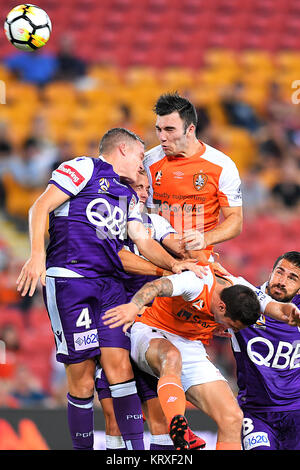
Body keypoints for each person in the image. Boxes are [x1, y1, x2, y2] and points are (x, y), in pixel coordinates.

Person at [16, 127, 205, 451]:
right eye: (138, 158)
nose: (140, 165)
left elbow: (143, 241)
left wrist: (174, 266)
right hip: (72, 281)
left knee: (120, 368)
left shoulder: (128, 196)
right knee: (83, 380)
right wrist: (36, 255)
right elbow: (39, 207)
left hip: (110, 287)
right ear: (122, 151)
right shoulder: (83, 168)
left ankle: (133, 452)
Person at [103, 264, 300, 450]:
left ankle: (180, 429)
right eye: (231, 325)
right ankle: (179, 425)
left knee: (232, 418)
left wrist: (289, 313)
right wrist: (133, 306)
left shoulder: (241, 287)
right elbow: (156, 286)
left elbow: (274, 307)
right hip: (151, 329)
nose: (229, 330)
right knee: (171, 357)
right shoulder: (197, 281)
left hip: (190, 343)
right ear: (222, 307)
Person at [95, 170, 205, 450]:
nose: (143, 193)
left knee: (158, 419)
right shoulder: (107, 222)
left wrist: (195, 246)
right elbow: (120, 259)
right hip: (115, 324)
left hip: (147, 325)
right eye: (136, 186)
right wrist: (166, 266)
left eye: (146, 188)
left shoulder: (155, 222)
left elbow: (176, 247)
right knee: (114, 418)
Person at [143, 92, 243, 262]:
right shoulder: (148, 161)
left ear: (190, 129)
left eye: (169, 129)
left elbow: (235, 221)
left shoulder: (222, 165)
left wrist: (204, 239)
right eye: (158, 129)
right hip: (155, 256)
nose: (162, 137)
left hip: (198, 260)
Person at [231, 251, 300, 450]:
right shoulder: (245, 301)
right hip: (256, 413)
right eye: (279, 272)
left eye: (292, 278)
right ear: (271, 272)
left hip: (296, 411)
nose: (282, 281)